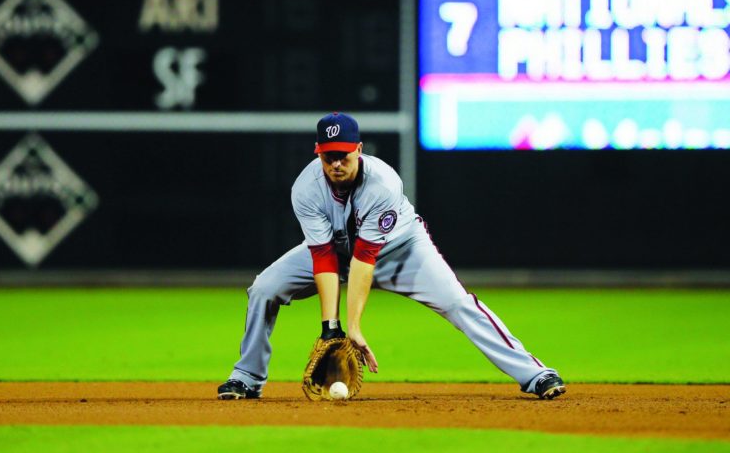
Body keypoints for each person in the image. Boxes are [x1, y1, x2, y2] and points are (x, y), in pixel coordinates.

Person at [218, 112, 565, 400]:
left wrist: (352, 326)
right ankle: (247, 376)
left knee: (459, 303)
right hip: (338, 253)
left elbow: (365, 260)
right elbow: (324, 259)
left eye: (344, 155)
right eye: (329, 156)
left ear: (359, 149)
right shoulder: (306, 189)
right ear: (317, 152)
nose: (337, 163)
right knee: (264, 287)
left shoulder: (382, 184)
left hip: (402, 252)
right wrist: (331, 329)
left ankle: (534, 373)